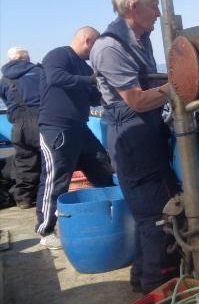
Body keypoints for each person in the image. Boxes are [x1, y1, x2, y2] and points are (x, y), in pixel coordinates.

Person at [90, 0, 179, 293]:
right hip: (131, 136)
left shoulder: (142, 38)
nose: (158, 12)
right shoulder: (110, 47)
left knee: (161, 212)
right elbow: (138, 101)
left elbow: (151, 85)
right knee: (153, 220)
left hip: (150, 133)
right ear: (132, 5)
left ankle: (145, 279)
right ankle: (154, 294)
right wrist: (180, 84)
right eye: (153, 5)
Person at [36, 27, 114, 249]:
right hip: (56, 129)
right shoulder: (58, 55)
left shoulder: (84, 67)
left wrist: (110, 90)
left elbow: (92, 98)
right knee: (56, 180)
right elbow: (55, 77)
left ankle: (108, 213)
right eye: (96, 45)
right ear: (88, 40)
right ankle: (46, 229)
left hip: (81, 129)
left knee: (104, 167)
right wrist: (92, 80)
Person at [0, 47, 42, 208]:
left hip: (19, 126)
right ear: (27, 58)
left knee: (25, 162)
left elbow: (6, 100)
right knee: (49, 160)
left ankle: (23, 199)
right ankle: (49, 196)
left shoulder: (4, 80)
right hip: (42, 122)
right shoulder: (39, 72)